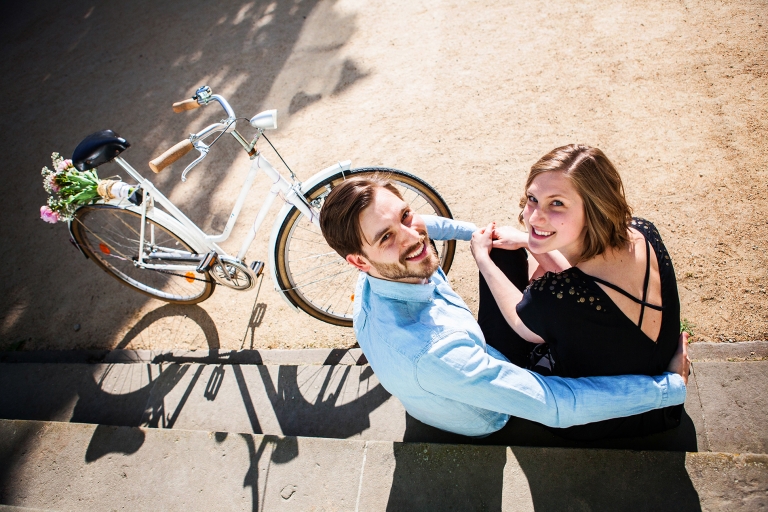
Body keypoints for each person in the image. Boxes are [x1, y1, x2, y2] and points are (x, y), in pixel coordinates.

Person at [318, 175, 690, 438]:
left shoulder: (378, 273)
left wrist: (479, 235)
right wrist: (668, 388)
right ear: (359, 262)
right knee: (563, 328)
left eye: (405, 216)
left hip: (461, 366)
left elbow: (421, 224)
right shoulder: (435, 353)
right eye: (387, 237)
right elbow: (555, 405)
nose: (414, 237)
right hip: (489, 413)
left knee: (501, 252)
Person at [471, 144, 683, 439]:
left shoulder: (559, 296)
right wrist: (525, 240)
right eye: (532, 199)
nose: (533, 217)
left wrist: (483, 259)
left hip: (603, 419)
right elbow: (583, 286)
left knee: (498, 260)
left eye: (556, 203)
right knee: (519, 256)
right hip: (661, 401)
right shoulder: (644, 232)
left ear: (594, 207)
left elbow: (520, 322)